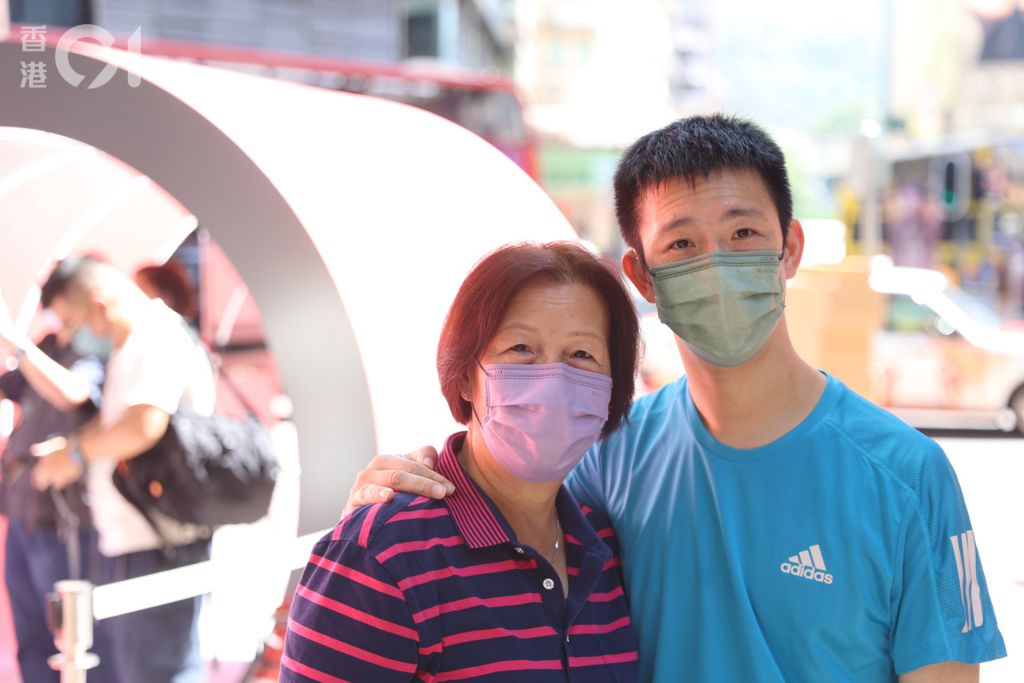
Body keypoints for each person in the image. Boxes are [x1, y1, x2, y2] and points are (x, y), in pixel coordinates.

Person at [344, 115, 1006, 681]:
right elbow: (500, 511)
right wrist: (388, 496)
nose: (716, 263)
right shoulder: (607, 460)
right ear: (643, 275)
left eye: (743, 234)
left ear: (790, 248)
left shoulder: (907, 478)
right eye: (682, 244)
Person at [281, 242, 641, 682]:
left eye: (582, 355)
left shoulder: (603, 548)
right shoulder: (383, 555)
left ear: (610, 388)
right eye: (521, 348)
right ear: (467, 377)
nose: (553, 379)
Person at [30, 255, 215, 683]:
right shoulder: (133, 343)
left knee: (162, 671)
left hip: (160, 542)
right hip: (138, 540)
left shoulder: (154, 336)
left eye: (73, 323)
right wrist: (74, 448)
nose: (74, 336)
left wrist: (75, 456)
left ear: (98, 304)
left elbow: (143, 424)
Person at [0, 287, 119, 683]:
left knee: (77, 642)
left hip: (66, 517)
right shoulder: (46, 346)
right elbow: (11, 385)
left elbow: (74, 394)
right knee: (32, 639)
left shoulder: (98, 353)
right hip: (23, 512)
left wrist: (17, 346)